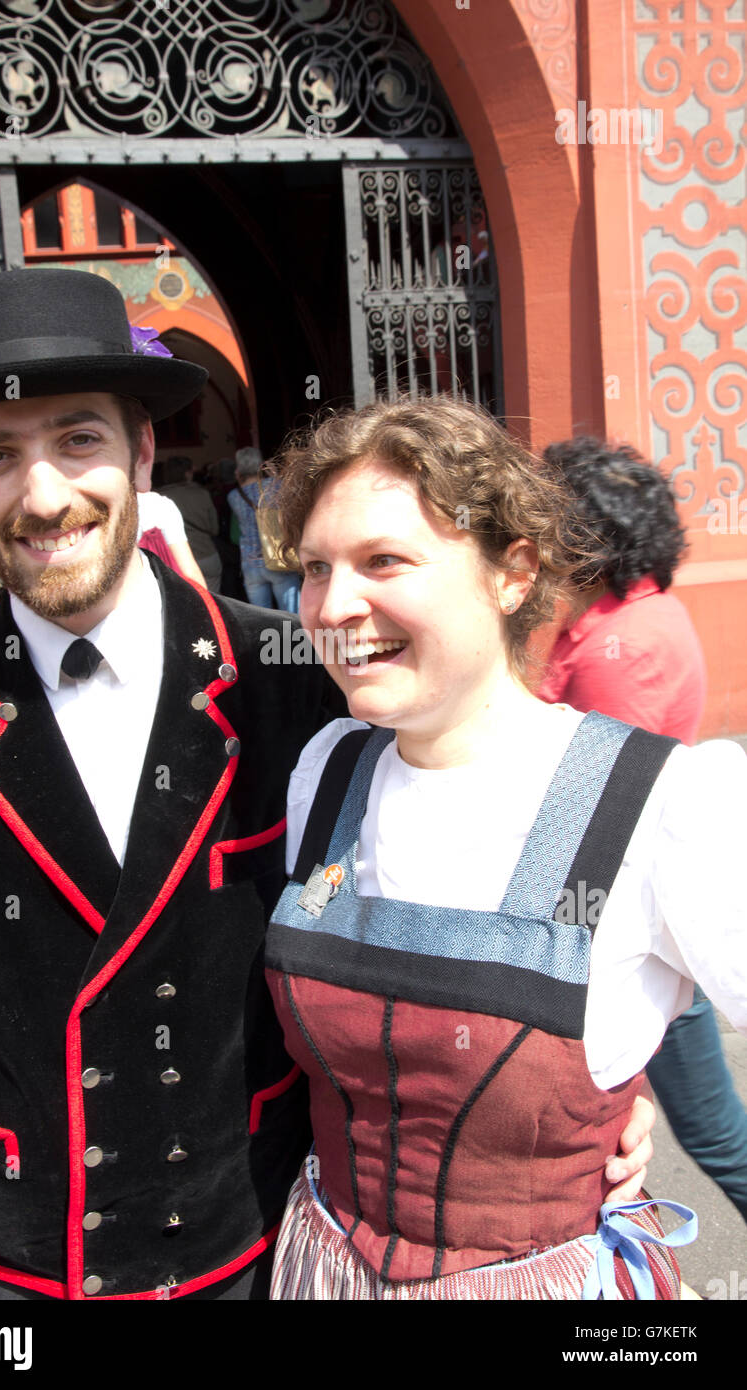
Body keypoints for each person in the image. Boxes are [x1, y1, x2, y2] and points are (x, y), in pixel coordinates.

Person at [0, 267, 331, 1301]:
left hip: (252, 1241)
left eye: (78, 440)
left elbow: (417, 892)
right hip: (2, 1259)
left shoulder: (291, 675)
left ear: (140, 452)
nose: (43, 495)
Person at [262, 397, 747, 1300]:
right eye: (315, 568)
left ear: (512, 573)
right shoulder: (327, 770)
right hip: (321, 1266)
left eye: (384, 561)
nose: (331, 605)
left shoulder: (659, 805)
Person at [538, 436, 747, 1225]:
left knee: (713, 1134)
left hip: (624, 922)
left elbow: (594, 804)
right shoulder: (638, 607)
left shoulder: (619, 643)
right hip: (626, 914)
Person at [227, 447, 301, 613]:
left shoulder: (233, 496)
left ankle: (267, 640)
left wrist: (239, 478)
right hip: (278, 558)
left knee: (261, 617)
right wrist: (275, 475)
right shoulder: (275, 486)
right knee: (291, 615)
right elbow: (292, 498)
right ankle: (292, 640)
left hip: (250, 563)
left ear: (238, 469)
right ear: (261, 465)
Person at [154, 455, 222, 592]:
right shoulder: (202, 493)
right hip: (206, 554)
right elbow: (214, 529)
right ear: (187, 473)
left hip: (176, 561)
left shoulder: (157, 498)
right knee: (214, 601)